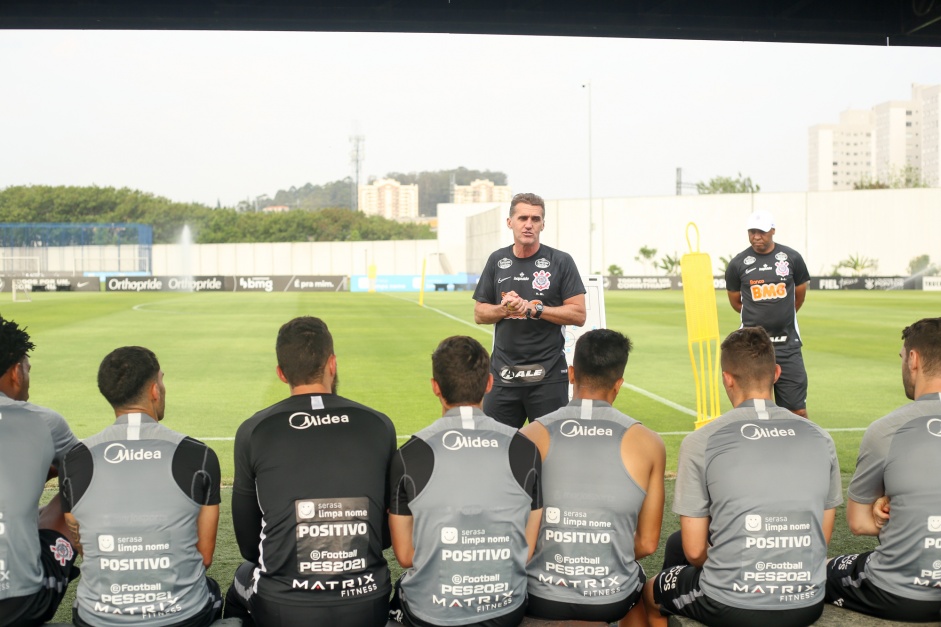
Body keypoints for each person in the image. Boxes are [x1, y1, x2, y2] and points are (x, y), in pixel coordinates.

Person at [643, 327, 842, 627]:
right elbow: (820, 539)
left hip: (731, 603)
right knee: (675, 543)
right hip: (806, 603)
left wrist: (741, 564)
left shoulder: (701, 441)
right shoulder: (820, 437)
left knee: (648, 593)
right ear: (776, 373)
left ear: (727, 378)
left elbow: (696, 551)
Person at [225, 316, 397, 627]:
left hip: (284, 608)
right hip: (368, 603)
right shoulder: (378, 424)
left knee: (241, 577)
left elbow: (250, 546)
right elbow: (384, 533)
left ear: (281, 373)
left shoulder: (254, 430)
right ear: (332, 364)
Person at [59, 346, 223, 627]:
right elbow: (203, 557)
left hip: (96, 619)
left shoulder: (74, 459)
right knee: (214, 592)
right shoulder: (199, 455)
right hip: (181, 617)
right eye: (162, 379)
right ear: (154, 390)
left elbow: (84, 545)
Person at [388, 336, 542, 627]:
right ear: (489, 384)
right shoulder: (525, 449)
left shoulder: (409, 455)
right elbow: (527, 548)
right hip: (506, 609)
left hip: (433, 613)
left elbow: (406, 556)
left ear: (435, 386)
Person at [521, 328, 665, 625]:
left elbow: (515, 530)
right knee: (636, 582)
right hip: (610, 600)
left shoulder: (529, 435)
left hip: (537, 595)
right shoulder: (649, 443)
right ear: (619, 383)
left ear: (571, 373)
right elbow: (648, 544)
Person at [825, 317, 941, 622]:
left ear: (913, 359)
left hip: (903, 595)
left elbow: (860, 523)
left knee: (818, 571)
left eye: (902, 357)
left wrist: (905, 512)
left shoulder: (888, 430)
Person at [472, 192, 587, 428]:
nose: (528, 225)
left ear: (543, 224)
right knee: (497, 449)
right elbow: (479, 313)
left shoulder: (561, 261)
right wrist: (504, 309)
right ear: (510, 222)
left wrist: (536, 309)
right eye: (523, 218)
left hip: (548, 378)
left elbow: (579, 314)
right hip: (503, 377)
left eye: (535, 219)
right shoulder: (497, 260)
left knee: (550, 453)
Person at [0, 316, 80, 627]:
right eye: (28, 369)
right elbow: (90, 471)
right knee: (74, 483)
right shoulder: (44, 423)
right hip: (17, 603)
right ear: (17, 372)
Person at [725, 210, 811, 418]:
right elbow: (737, 302)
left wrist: (782, 314)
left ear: (772, 231)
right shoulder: (738, 264)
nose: (756, 236)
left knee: (796, 410)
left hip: (787, 345)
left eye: (761, 232)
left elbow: (798, 296)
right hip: (752, 349)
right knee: (752, 409)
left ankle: (801, 448)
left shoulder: (791, 258)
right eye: (752, 232)